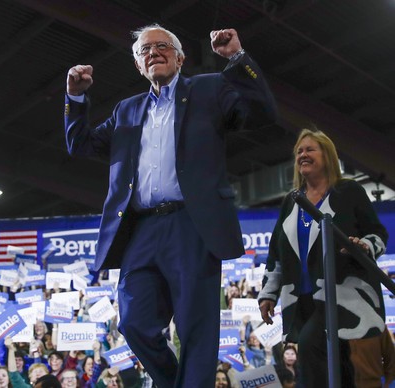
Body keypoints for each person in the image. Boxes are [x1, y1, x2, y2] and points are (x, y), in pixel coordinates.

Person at [64, 23, 277, 387]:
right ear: (138, 66)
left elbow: (261, 113)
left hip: (192, 224)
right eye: (145, 51)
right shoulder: (126, 110)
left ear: (180, 57)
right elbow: (80, 143)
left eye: (162, 46)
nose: (153, 53)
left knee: (197, 326)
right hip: (141, 229)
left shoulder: (209, 88)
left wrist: (237, 58)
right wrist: (77, 98)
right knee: (133, 321)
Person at [258, 128, 389, 387]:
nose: (302, 155)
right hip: (304, 302)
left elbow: (378, 232)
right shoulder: (291, 201)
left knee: (310, 348)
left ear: (327, 155)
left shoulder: (348, 191)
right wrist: (268, 294)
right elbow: (277, 254)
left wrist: (363, 245)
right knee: (339, 366)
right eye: (299, 151)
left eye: (309, 149)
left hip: (343, 295)